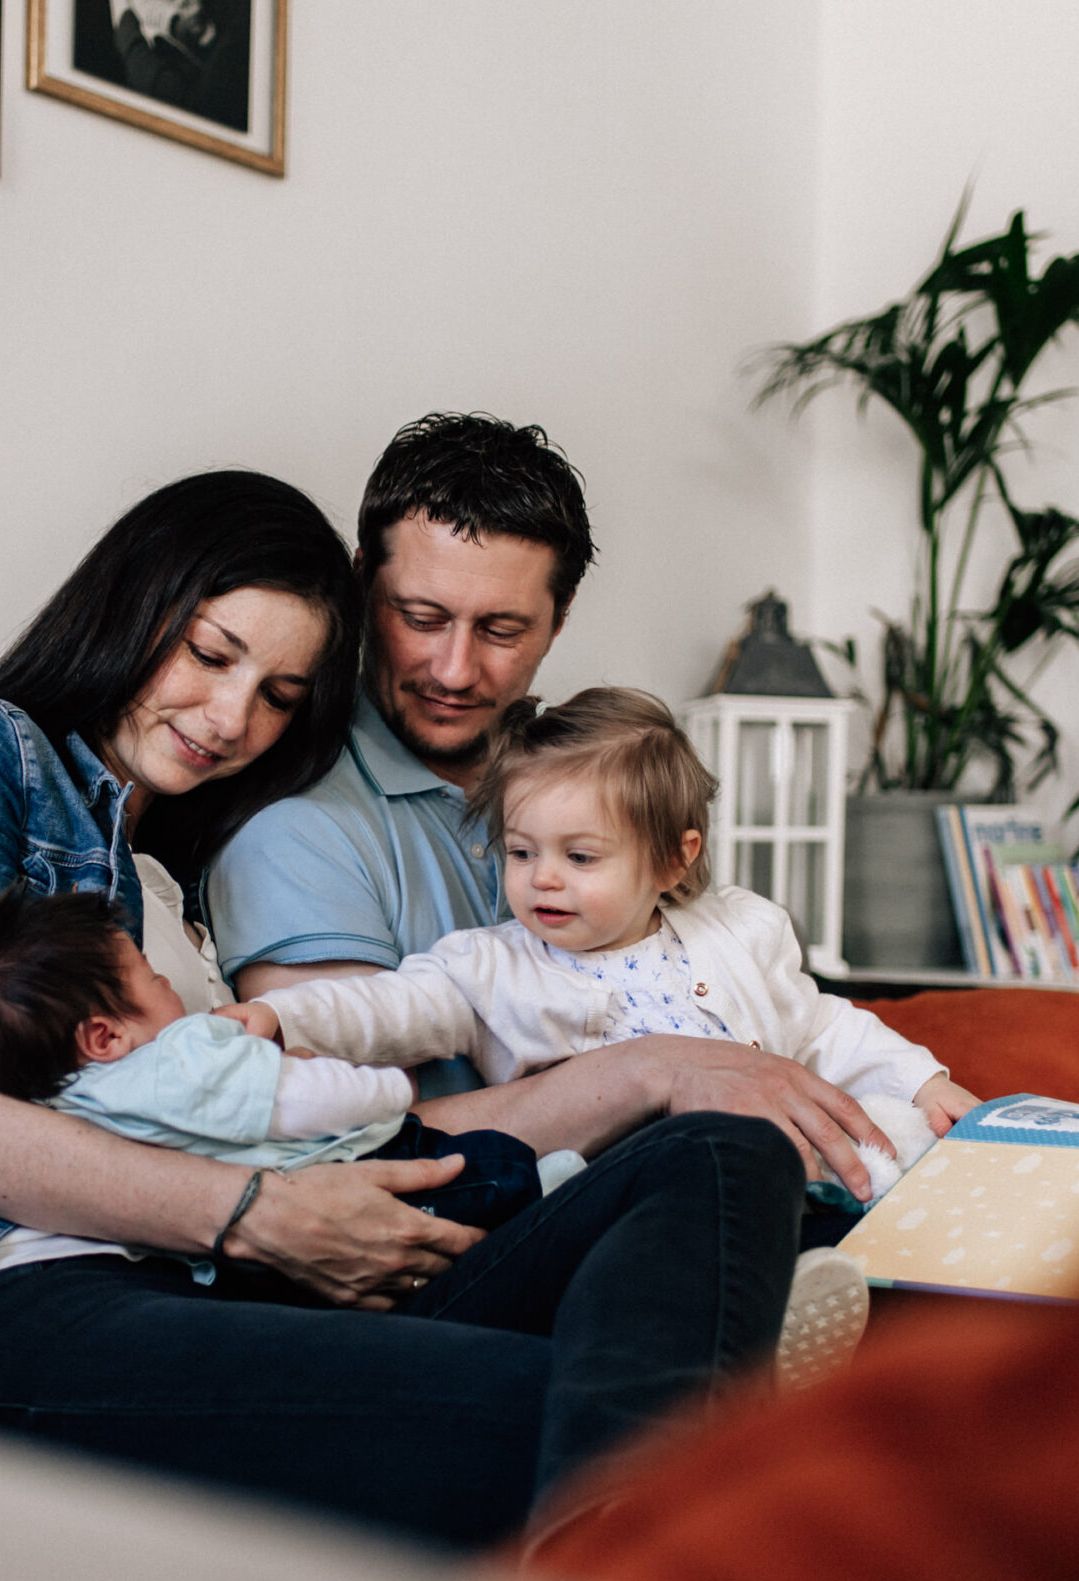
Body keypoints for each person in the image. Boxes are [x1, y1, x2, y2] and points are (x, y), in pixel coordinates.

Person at [0, 469, 810, 1549]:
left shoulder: (173, 889)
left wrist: (649, 1069)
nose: (231, 718)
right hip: (5, 1311)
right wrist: (251, 1212)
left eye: (278, 696)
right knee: (592, 1417)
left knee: (717, 1155)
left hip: (227, 1288)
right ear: (133, 603)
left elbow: (334, 1126)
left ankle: (641, 1566)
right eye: (210, 654)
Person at [208, 414, 905, 1204]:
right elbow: (347, 1150)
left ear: (559, 619)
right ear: (364, 586)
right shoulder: (294, 832)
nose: (455, 667)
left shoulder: (588, 778)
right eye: (422, 617)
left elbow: (789, 1015)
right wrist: (654, 1073)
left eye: (502, 629)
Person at [224, 690, 986, 1186]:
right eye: (522, 852)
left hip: (779, 1176)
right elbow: (386, 1008)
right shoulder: (490, 968)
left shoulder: (738, 930)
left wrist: (922, 1081)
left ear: (671, 857)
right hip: (613, 1195)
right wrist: (284, 1020)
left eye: (579, 857)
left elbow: (824, 1028)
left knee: (892, 1143)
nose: (542, 878)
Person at [0, 883, 544, 1229]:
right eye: (151, 976)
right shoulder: (183, 1057)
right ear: (104, 1037)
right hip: (349, 1168)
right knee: (491, 1169)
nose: (169, 985)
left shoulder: (66, 1109)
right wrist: (385, 1085)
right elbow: (305, 1101)